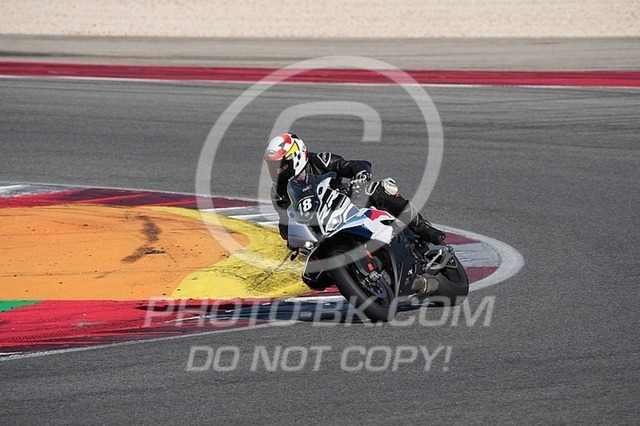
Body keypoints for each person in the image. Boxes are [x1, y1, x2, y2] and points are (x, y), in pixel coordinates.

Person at [264, 132, 446, 245]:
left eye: (282, 165)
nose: (277, 171)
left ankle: (423, 228)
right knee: (311, 278)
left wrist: (361, 176)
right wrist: (289, 234)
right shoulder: (277, 193)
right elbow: (284, 221)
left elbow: (355, 165)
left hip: (347, 204)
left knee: (379, 189)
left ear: (296, 157)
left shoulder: (319, 161)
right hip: (320, 229)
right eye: (273, 166)